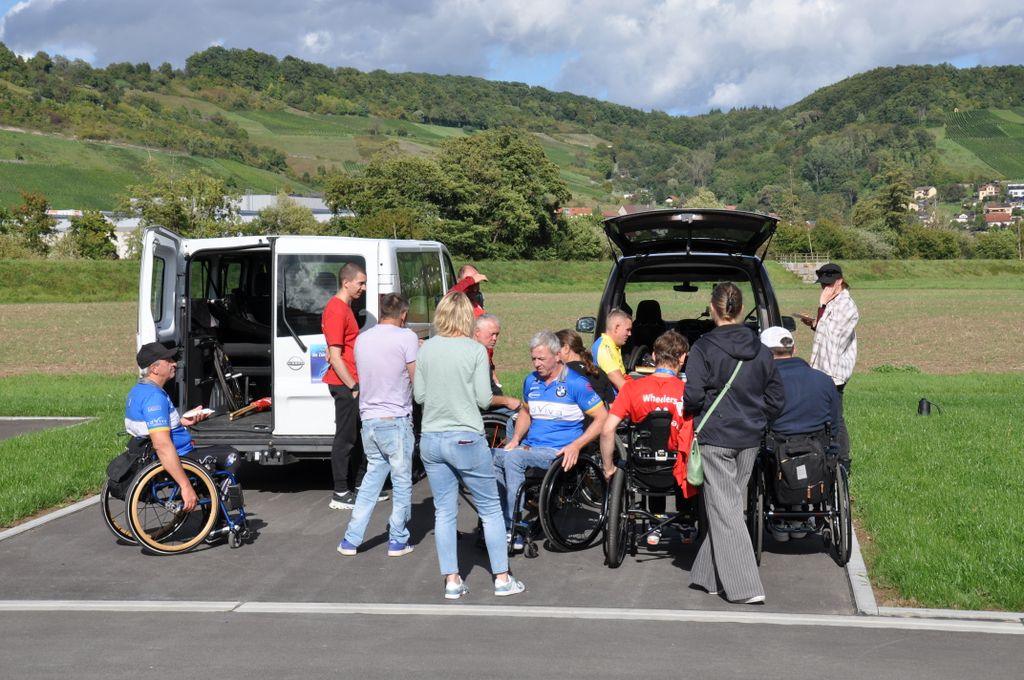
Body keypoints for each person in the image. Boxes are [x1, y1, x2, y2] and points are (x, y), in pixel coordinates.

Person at [414, 291, 525, 599]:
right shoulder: (475, 351)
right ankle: (502, 578)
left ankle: (452, 580)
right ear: (467, 318)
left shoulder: (426, 348)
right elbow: (483, 399)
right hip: (465, 436)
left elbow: (419, 395)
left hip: (432, 437)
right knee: (490, 508)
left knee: (444, 511)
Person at [684, 282, 785, 605]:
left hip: (715, 436)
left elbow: (693, 395)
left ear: (712, 309)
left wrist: (696, 412)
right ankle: (709, 576)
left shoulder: (703, 347)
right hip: (750, 438)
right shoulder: (762, 350)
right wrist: (757, 418)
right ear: (741, 309)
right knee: (726, 505)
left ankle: (745, 586)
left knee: (726, 508)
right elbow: (776, 398)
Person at [493, 330, 608, 547]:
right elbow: (526, 412)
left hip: (558, 452)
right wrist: (516, 438)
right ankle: (499, 519)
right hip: (530, 448)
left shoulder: (576, 383)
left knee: (514, 459)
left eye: (541, 359)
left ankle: (513, 527)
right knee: (489, 457)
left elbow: (602, 417)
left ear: (557, 356)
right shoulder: (531, 381)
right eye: (533, 359)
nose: (536, 364)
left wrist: (577, 445)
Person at [337, 293, 418, 558]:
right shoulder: (407, 337)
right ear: (403, 314)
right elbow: (415, 377)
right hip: (395, 419)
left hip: (369, 420)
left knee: (372, 480)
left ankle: (351, 539)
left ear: (381, 312)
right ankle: (398, 538)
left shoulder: (363, 338)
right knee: (402, 481)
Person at [599, 330, 696, 544]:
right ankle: (686, 517)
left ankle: (655, 518)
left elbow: (607, 430)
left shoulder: (632, 389)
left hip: (642, 467)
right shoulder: (689, 392)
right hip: (679, 468)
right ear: (682, 358)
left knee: (648, 448)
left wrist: (608, 468)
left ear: (653, 356)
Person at [124, 343, 239, 512]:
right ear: (154, 368)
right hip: (181, 455)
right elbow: (162, 445)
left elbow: (150, 425)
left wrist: (182, 421)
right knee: (231, 455)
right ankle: (217, 515)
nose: (174, 363)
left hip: (153, 451)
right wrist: (185, 486)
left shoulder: (139, 390)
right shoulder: (154, 397)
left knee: (219, 453)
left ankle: (211, 502)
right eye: (168, 360)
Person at [760, 326, 839, 541]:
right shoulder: (823, 380)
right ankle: (802, 511)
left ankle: (781, 512)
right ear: (793, 349)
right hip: (816, 449)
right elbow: (834, 424)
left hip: (778, 451)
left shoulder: (763, 383)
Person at [322, 262, 372, 510]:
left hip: (352, 381)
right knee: (345, 438)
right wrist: (353, 385)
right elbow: (335, 356)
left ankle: (361, 486)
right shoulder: (336, 310)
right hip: (345, 384)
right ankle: (340, 492)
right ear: (346, 282)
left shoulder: (345, 308)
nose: (364, 288)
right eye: (360, 283)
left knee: (358, 436)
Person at [800, 262, 858, 469]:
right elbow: (825, 330)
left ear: (840, 281)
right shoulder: (834, 302)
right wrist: (815, 323)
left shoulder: (847, 306)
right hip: (822, 369)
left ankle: (842, 462)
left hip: (834, 373)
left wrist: (821, 305)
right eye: (822, 285)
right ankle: (825, 456)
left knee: (835, 419)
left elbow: (833, 338)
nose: (824, 288)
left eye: (828, 284)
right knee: (823, 416)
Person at [556, 328, 616, 405]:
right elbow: (612, 406)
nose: (553, 355)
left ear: (566, 349)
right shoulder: (599, 372)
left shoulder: (560, 372)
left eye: (555, 350)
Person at [473, 313, 516, 403]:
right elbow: (481, 399)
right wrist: (506, 402)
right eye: (492, 334)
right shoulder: (471, 356)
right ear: (477, 332)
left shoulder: (482, 352)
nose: (495, 338)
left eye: (497, 334)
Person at [590, 308, 633, 394]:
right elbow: (621, 385)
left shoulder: (613, 345)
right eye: (627, 330)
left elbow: (624, 376)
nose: (630, 334)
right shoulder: (604, 349)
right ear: (616, 328)